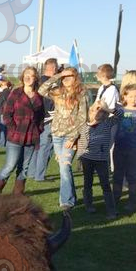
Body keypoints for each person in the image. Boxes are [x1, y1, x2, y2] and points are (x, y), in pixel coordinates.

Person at [38, 67, 87, 210]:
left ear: (76, 78)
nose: (66, 79)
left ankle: (66, 201)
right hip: (57, 135)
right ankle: (71, 196)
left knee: (65, 166)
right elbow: (41, 90)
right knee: (63, 167)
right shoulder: (58, 92)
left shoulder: (81, 94)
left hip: (70, 136)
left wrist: (74, 137)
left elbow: (82, 117)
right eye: (64, 77)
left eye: (70, 76)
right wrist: (58, 75)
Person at [0, 68, 44, 196]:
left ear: (35, 78)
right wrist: (13, 129)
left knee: (23, 169)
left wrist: (38, 130)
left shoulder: (39, 96)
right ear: (22, 77)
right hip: (15, 137)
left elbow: (41, 118)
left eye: (31, 76)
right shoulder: (16, 93)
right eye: (26, 75)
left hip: (31, 138)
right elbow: (7, 114)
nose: (28, 78)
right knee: (9, 167)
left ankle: (17, 196)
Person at [112, 72, 136, 212]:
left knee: (132, 176)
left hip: (134, 150)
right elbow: (113, 127)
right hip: (119, 149)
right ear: (124, 96)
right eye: (130, 96)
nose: (134, 99)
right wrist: (109, 145)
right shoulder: (119, 110)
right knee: (117, 175)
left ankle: (132, 202)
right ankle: (114, 199)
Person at [77, 104, 118, 219]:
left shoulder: (107, 124)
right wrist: (79, 159)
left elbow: (122, 115)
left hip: (101, 160)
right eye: (95, 110)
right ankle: (89, 205)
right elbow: (80, 144)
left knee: (105, 184)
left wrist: (106, 108)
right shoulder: (83, 126)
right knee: (87, 183)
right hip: (87, 159)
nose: (98, 112)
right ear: (89, 113)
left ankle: (111, 211)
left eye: (101, 111)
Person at [26, 59, 58, 181]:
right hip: (48, 119)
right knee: (45, 147)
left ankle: (32, 172)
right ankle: (39, 175)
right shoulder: (50, 83)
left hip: (39, 119)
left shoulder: (39, 81)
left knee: (38, 147)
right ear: (53, 68)